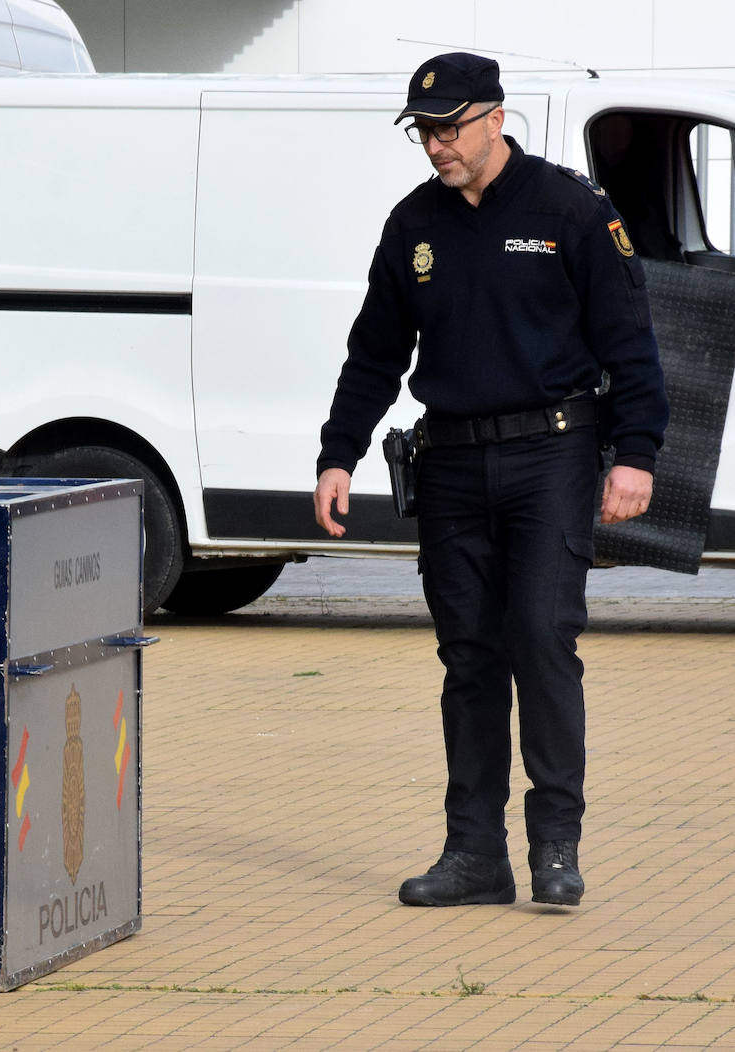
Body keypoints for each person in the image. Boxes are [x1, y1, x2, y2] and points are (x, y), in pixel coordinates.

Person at [313, 52, 668, 908]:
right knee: (468, 660)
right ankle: (475, 855)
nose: (437, 145)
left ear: (495, 118)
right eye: (424, 131)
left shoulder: (569, 211)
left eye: (450, 128)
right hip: (452, 466)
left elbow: (630, 341)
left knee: (542, 639)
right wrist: (338, 452)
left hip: (553, 455)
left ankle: (555, 846)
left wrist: (636, 453)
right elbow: (375, 354)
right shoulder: (413, 228)